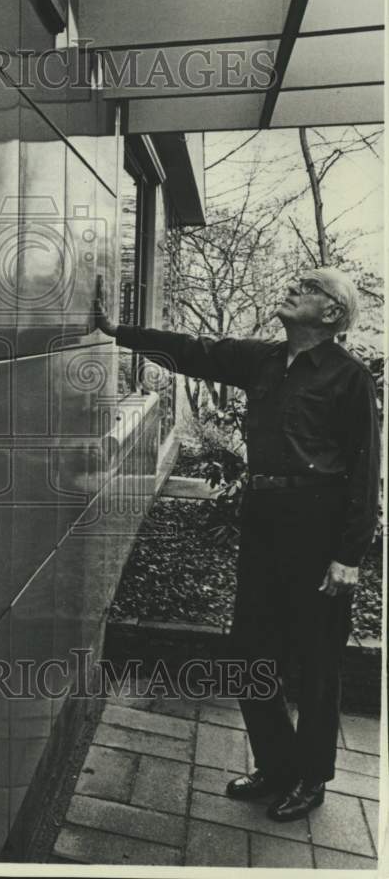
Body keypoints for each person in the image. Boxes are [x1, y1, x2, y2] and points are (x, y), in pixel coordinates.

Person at [94, 267, 381, 823]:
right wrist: (114, 330)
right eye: (298, 281)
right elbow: (195, 350)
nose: (292, 286)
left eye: (309, 286)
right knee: (249, 649)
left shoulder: (350, 378)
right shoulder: (264, 360)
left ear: (331, 313)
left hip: (319, 525)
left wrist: (350, 554)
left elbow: (367, 471)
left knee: (318, 661)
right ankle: (276, 765)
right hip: (266, 519)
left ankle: (312, 778)